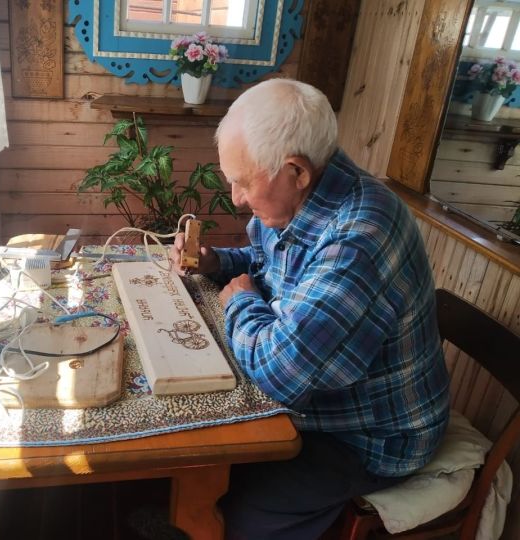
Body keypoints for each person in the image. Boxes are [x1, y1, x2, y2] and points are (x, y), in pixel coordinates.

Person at [169, 79, 450, 540]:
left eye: (243, 182)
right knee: (199, 451)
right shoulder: (305, 195)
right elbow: (268, 264)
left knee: (235, 496)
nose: (236, 198)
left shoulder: (358, 237)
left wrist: (240, 300)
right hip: (330, 401)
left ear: (296, 171)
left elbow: (281, 372)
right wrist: (218, 263)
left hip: (374, 436)